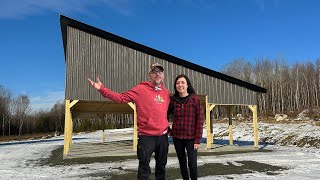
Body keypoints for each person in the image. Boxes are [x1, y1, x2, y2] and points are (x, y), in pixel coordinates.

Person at [88, 63, 170, 180]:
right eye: (154, 72)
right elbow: (120, 98)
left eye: (160, 72)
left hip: (163, 138)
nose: (158, 74)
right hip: (146, 137)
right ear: (150, 75)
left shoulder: (166, 93)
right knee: (144, 169)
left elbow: (165, 113)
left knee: (161, 168)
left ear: (163, 75)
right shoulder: (140, 89)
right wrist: (102, 89)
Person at [167, 74, 204, 180]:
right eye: (178, 83)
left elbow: (200, 120)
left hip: (191, 138)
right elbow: (163, 115)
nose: (180, 85)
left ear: (187, 85)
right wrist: (169, 130)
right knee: (182, 162)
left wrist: (197, 140)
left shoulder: (194, 99)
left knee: (192, 164)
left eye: (182, 82)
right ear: (175, 86)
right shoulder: (173, 100)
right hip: (177, 138)